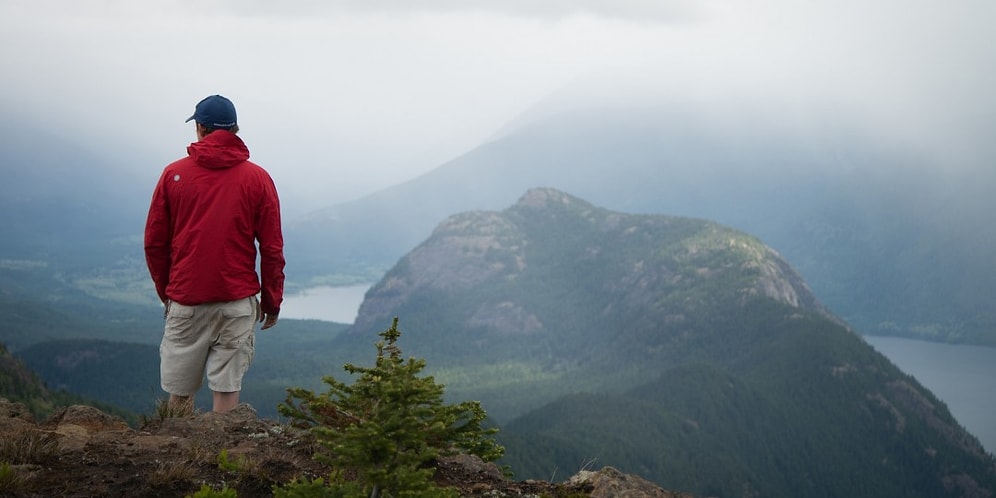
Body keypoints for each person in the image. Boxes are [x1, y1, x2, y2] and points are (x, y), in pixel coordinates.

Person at [144, 94, 285, 414]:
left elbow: (155, 243)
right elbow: (272, 248)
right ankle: (221, 456)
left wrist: (168, 291)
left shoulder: (173, 175)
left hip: (187, 299)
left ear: (200, 128)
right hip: (237, 302)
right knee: (226, 389)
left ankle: (177, 458)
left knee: (179, 394)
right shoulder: (258, 179)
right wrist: (272, 300)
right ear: (234, 130)